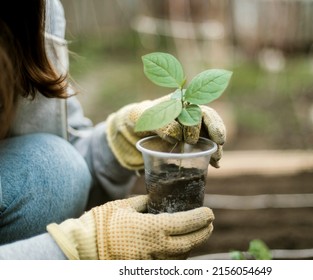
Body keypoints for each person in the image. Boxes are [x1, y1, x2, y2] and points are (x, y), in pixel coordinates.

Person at [0, 0, 226, 260]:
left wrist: (118, 141)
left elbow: (63, 158)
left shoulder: (40, 10)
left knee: (55, 167)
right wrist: (79, 251)